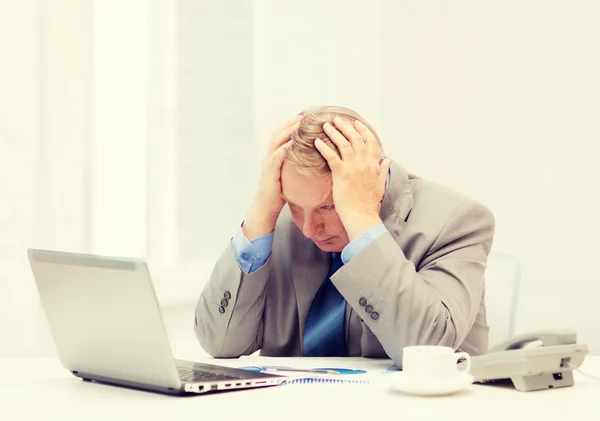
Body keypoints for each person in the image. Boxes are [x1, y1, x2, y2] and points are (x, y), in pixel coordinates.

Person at [194, 105, 495, 363]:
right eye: (296, 206)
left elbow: (428, 350)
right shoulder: (281, 221)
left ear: (374, 178)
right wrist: (261, 211)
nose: (310, 229)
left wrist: (362, 218)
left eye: (328, 206)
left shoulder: (458, 221)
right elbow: (220, 343)